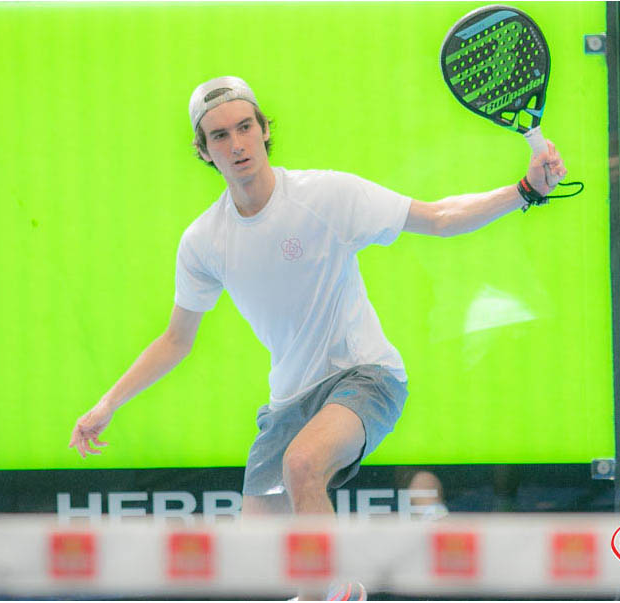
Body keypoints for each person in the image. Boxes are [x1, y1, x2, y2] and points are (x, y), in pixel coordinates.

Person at [69, 75, 566, 599]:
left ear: (264, 130)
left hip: (365, 376)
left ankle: (341, 589)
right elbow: (176, 340)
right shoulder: (203, 242)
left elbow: (439, 218)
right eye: (220, 135)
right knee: (256, 562)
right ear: (204, 150)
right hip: (288, 402)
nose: (237, 144)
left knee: (303, 464)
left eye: (245, 127)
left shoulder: (326, 196)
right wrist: (107, 403)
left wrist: (525, 190)